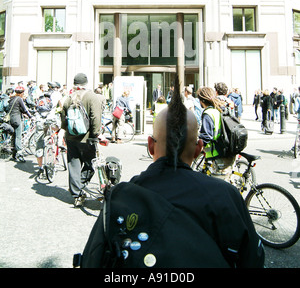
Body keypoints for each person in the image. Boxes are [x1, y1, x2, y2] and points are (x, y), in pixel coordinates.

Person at [80, 76, 264, 268]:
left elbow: (92, 259)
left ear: (151, 146)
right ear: (198, 149)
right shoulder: (227, 195)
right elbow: (253, 259)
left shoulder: (120, 197)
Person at [61, 73, 102, 207]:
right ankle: (80, 186)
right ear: (86, 83)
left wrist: (65, 129)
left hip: (71, 136)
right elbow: (96, 117)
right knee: (91, 164)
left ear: (74, 83)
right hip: (87, 138)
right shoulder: (92, 97)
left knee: (73, 165)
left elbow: (63, 116)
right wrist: (96, 134)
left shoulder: (68, 97)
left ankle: (76, 193)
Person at [197, 86, 235, 178]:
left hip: (218, 154)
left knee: (219, 188)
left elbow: (206, 136)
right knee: (228, 182)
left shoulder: (208, 113)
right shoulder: (219, 109)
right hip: (228, 150)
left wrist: (196, 146)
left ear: (202, 101)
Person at [8, 86, 32, 162]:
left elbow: (16, 108)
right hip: (17, 120)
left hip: (11, 119)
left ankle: (13, 154)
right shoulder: (19, 99)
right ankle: (20, 154)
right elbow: (24, 109)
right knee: (18, 137)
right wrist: (30, 116)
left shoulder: (12, 98)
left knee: (14, 136)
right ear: (21, 93)